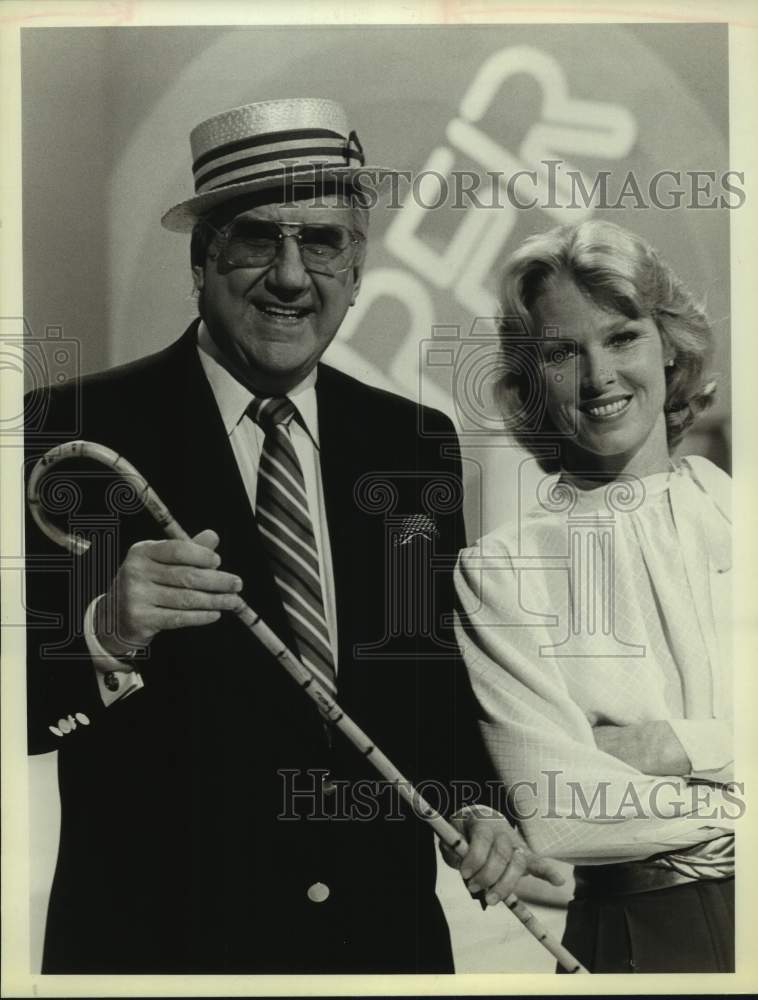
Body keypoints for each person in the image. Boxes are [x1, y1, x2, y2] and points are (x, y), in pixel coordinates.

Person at [24, 97, 562, 975]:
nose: (289, 275)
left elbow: (425, 685)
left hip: (379, 951)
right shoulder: (70, 425)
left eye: (321, 242)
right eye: (253, 239)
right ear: (199, 262)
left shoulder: (414, 444)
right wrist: (105, 634)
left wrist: (476, 804)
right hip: (159, 957)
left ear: (356, 268)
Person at [454, 220, 735, 974]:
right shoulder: (500, 570)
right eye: (561, 352)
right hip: (639, 934)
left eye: (621, 337)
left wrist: (670, 748)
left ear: (667, 345)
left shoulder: (737, 518)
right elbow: (564, 813)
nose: (598, 375)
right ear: (530, 378)